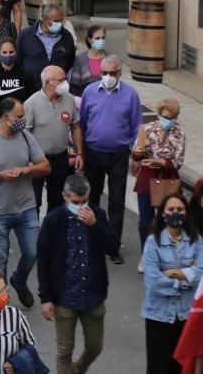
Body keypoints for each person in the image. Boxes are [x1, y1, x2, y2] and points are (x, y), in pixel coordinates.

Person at [0, 98, 50, 308]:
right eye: (20, 117)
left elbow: (45, 166)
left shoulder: (26, 138)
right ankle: (0, 303)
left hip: (26, 207)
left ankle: (20, 280)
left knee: (32, 252)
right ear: (7, 118)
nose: (23, 121)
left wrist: (27, 170)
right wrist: (0, 175)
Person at [37, 174, 119, 374]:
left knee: (95, 347)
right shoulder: (53, 221)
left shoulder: (97, 215)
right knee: (64, 351)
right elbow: (43, 260)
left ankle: (78, 369)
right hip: (65, 296)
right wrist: (45, 298)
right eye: (76, 202)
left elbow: (113, 247)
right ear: (65, 196)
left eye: (85, 201)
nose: (81, 206)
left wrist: (94, 227)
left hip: (92, 294)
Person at [79, 54, 140, 264]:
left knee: (116, 201)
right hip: (93, 152)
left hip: (119, 154)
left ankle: (113, 245)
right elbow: (83, 123)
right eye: (103, 73)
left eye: (112, 73)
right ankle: (92, 240)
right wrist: (81, 153)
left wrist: (136, 155)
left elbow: (136, 127)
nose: (107, 77)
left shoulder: (131, 95)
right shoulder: (89, 92)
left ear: (120, 74)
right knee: (92, 199)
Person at [142, 193, 203, 374]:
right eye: (171, 209)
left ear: (186, 213)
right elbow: (153, 280)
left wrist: (173, 273)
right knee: (158, 367)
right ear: (163, 213)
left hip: (185, 316)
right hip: (158, 316)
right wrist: (186, 277)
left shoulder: (196, 241)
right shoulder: (153, 242)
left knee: (181, 367)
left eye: (180, 210)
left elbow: (201, 274)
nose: (175, 213)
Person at [25, 65, 85, 216]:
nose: (65, 83)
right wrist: (27, 159)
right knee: (34, 201)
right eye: (61, 80)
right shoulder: (31, 103)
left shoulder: (70, 100)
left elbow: (76, 126)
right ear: (47, 82)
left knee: (58, 202)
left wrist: (79, 153)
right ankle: (33, 235)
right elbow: (25, 134)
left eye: (65, 79)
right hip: (37, 160)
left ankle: (52, 234)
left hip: (60, 159)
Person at [132, 98, 186, 258]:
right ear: (158, 115)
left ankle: (167, 256)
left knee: (168, 220)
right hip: (147, 179)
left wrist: (160, 162)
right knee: (145, 223)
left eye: (171, 118)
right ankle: (146, 255)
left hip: (168, 180)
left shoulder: (179, 134)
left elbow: (178, 161)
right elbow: (136, 153)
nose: (167, 121)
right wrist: (138, 154)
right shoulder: (147, 129)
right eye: (164, 117)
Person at [15, 2, 76, 92]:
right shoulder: (26, 35)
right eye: (56, 21)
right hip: (30, 90)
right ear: (44, 19)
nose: (59, 24)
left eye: (61, 21)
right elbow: (17, 60)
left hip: (57, 91)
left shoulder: (66, 37)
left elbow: (70, 61)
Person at [70, 25, 108, 95]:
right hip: (85, 100)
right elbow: (74, 86)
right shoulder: (80, 59)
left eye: (103, 38)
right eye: (97, 38)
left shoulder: (110, 58)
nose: (101, 40)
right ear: (89, 39)